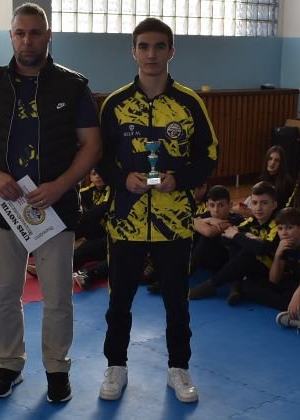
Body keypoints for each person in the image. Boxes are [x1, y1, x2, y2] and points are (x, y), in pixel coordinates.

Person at [0, 3, 101, 403]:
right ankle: (9, 364)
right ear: (11, 36)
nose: (27, 40)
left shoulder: (73, 86)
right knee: (5, 294)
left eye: (35, 33)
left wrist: (61, 185)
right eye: (20, 33)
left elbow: (92, 146)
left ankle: (57, 369)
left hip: (54, 207)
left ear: (48, 36)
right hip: (3, 207)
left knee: (58, 296)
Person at [97, 17, 217, 404]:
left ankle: (179, 368)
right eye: (144, 46)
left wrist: (178, 180)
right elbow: (99, 158)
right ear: (133, 51)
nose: (151, 54)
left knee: (176, 302)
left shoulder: (189, 103)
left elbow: (208, 156)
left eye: (159, 46)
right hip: (125, 221)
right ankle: (116, 366)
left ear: (171, 51)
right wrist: (122, 179)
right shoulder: (115, 104)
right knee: (119, 301)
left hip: (175, 221)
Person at [188, 181, 279, 305]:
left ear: (274, 205)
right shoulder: (251, 221)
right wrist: (245, 237)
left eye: (264, 203)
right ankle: (234, 285)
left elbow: (262, 249)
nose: (258, 208)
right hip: (245, 266)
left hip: (270, 271)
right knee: (236, 242)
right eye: (255, 203)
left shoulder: (277, 224)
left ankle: (211, 286)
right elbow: (227, 237)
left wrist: (238, 236)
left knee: (247, 250)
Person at [190, 185, 245, 276]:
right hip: (205, 260)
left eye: (221, 205)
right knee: (189, 232)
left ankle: (187, 272)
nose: (216, 210)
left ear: (230, 205)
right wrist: (208, 220)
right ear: (207, 205)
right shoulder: (207, 215)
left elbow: (209, 232)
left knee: (206, 237)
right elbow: (186, 222)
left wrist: (200, 222)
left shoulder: (236, 220)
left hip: (223, 262)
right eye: (212, 205)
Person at [71, 169, 112, 289]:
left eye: (101, 173)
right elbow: (73, 196)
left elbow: (99, 211)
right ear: (90, 177)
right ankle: (54, 265)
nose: (98, 176)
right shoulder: (88, 190)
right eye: (94, 174)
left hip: (114, 236)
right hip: (102, 234)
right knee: (87, 247)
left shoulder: (113, 190)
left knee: (118, 257)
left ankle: (87, 274)